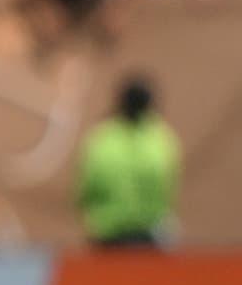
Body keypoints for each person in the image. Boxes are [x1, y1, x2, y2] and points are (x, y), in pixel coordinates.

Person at [74, 75, 178, 248]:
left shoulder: (101, 139)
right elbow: (168, 189)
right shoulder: (161, 139)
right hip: (149, 235)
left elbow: (84, 191)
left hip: (107, 236)